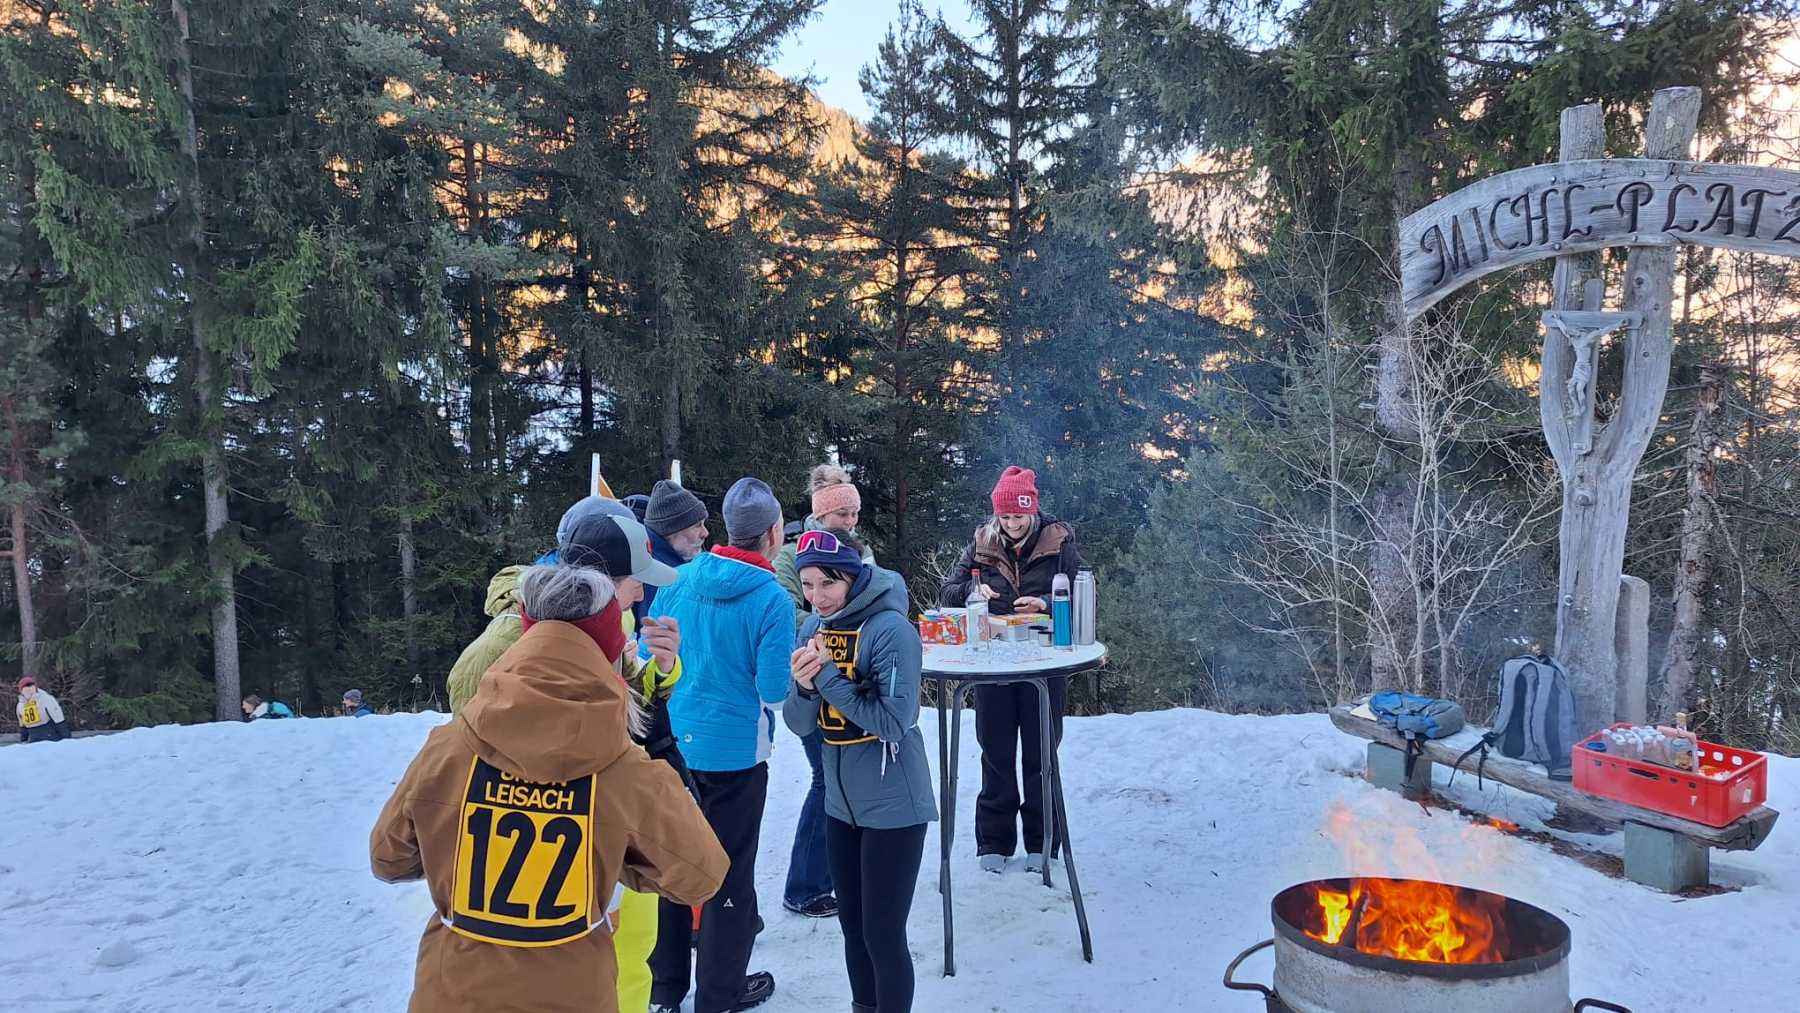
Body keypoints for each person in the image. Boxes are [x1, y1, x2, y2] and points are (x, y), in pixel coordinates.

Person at [370, 564, 728, 1013]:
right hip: (574, 992)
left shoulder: (447, 748)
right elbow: (701, 877)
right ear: (612, 651)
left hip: (451, 991)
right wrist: (615, 860)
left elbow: (389, 859)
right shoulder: (630, 772)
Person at [644, 477, 793, 1013]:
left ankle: (665, 989)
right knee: (729, 874)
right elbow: (774, 693)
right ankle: (719, 994)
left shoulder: (679, 579)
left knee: (673, 865)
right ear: (772, 534)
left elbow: (650, 656)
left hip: (676, 751)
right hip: (735, 757)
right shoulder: (772, 598)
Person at [784, 529, 935, 1013]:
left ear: (853, 577)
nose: (817, 596)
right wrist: (804, 689)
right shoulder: (813, 629)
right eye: (808, 584)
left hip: (895, 805)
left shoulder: (891, 630)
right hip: (840, 804)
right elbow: (798, 723)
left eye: (828, 583)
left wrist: (826, 677)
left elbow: (894, 722)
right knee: (852, 926)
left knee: (883, 933)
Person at [937, 466, 1084, 875]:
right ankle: (994, 842)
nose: (1013, 524)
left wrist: (1046, 603)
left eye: (1019, 516)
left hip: (1044, 662)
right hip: (993, 661)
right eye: (1005, 517)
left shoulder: (1059, 541)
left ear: (1032, 511)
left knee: (1042, 755)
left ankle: (1043, 842)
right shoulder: (981, 542)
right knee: (995, 753)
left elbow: (1083, 591)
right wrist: (973, 591)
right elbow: (947, 592)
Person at [771, 465, 875, 920]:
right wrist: (831, 625)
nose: (850, 521)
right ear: (820, 514)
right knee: (825, 778)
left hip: (852, 678)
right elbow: (787, 614)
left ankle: (838, 874)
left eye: (854, 512)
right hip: (812, 675)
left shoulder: (860, 550)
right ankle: (805, 886)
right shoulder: (791, 556)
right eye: (842, 514)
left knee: (843, 777)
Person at [641, 479, 710, 615]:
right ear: (672, 531)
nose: (705, 533)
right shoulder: (651, 577)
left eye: (703, 524)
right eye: (697, 526)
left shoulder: (689, 559)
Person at [15, 677, 68, 742]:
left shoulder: (46, 699)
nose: (29, 689)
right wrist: (23, 741)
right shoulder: (20, 705)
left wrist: (67, 740)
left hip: (51, 738)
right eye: (26, 688)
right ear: (21, 691)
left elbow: (59, 721)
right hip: (34, 740)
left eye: (31, 686)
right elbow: (23, 726)